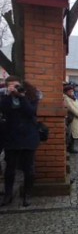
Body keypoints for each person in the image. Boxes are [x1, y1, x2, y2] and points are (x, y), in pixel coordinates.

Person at [0, 76, 40, 207]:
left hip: (28, 136)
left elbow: (31, 112)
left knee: (28, 168)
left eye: (16, 85)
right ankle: (8, 194)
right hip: (10, 136)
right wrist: (8, 95)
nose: (14, 88)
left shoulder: (31, 95)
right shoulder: (4, 96)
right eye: (11, 86)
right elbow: (3, 110)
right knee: (9, 168)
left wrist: (21, 96)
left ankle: (27, 194)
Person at [64, 83, 78, 153]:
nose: (71, 92)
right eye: (70, 91)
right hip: (72, 118)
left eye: (72, 91)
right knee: (71, 134)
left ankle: (71, 147)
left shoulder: (74, 98)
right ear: (66, 92)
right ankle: (70, 148)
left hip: (76, 119)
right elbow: (71, 108)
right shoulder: (66, 98)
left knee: (73, 134)